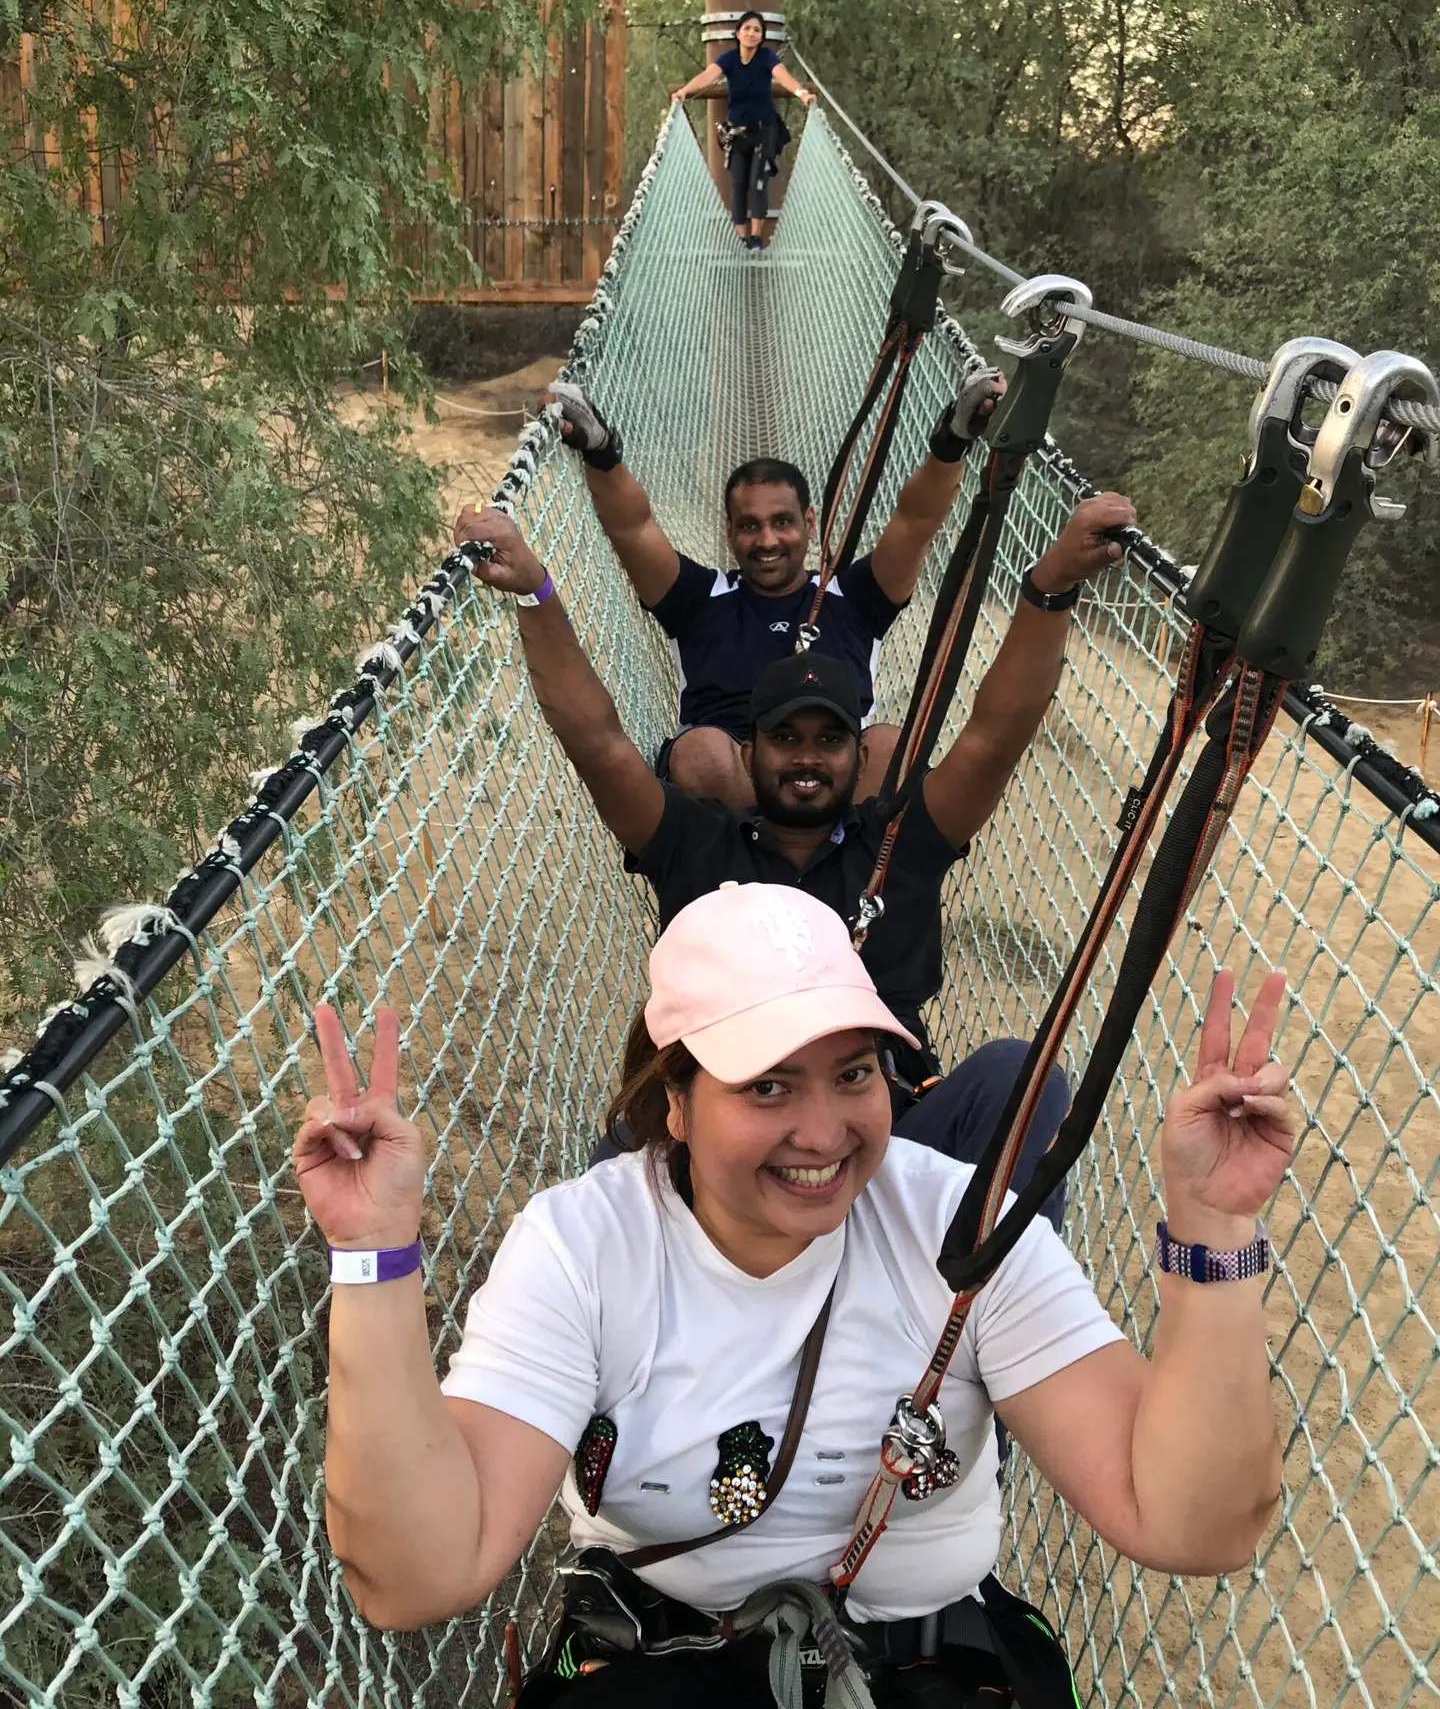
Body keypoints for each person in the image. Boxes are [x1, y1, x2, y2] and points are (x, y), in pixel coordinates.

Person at [295, 884, 1293, 1709]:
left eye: (852, 1073)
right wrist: (373, 1254)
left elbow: (1196, 1526)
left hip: (923, 1664)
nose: (824, 1131)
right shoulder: (582, 1247)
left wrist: (1213, 1229)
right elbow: (414, 1574)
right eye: (769, 1086)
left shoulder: (960, 1225)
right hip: (665, 1664)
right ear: (674, 1103)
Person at [451, 492, 1134, 1123]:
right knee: (629, 1143)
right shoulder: (697, 844)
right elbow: (597, 743)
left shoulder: (902, 842)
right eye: (785, 739)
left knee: (1023, 1076)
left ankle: (971, 1257)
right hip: (733, 1126)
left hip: (886, 1122)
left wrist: (1050, 590)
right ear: (749, 756)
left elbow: (993, 738)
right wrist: (537, 593)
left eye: (829, 740)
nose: (807, 757)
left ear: (860, 757)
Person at [507, 368, 1028, 810]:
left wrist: (953, 440)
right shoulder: (698, 600)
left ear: (809, 522)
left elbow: (914, 521)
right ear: (729, 532)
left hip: (835, 792)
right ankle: (743, 883)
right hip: (732, 810)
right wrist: (601, 452)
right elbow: (633, 528)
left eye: (782, 522)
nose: (767, 540)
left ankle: (863, 879)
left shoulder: (856, 597)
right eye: (749, 526)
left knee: (889, 746)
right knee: (701, 751)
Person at [670, 11, 816, 249]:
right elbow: (708, 75)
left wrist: (801, 93)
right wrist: (684, 91)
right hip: (738, 132)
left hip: (764, 129)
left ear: (761, 37)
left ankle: (756, 237)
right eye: (747, 29)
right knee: (738, 183)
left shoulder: (767, 57)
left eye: (756, 30)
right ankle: (740, 238)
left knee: (758, 181)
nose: (751, 33)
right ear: (738, 33)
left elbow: (782, 75)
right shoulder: (729, 59)